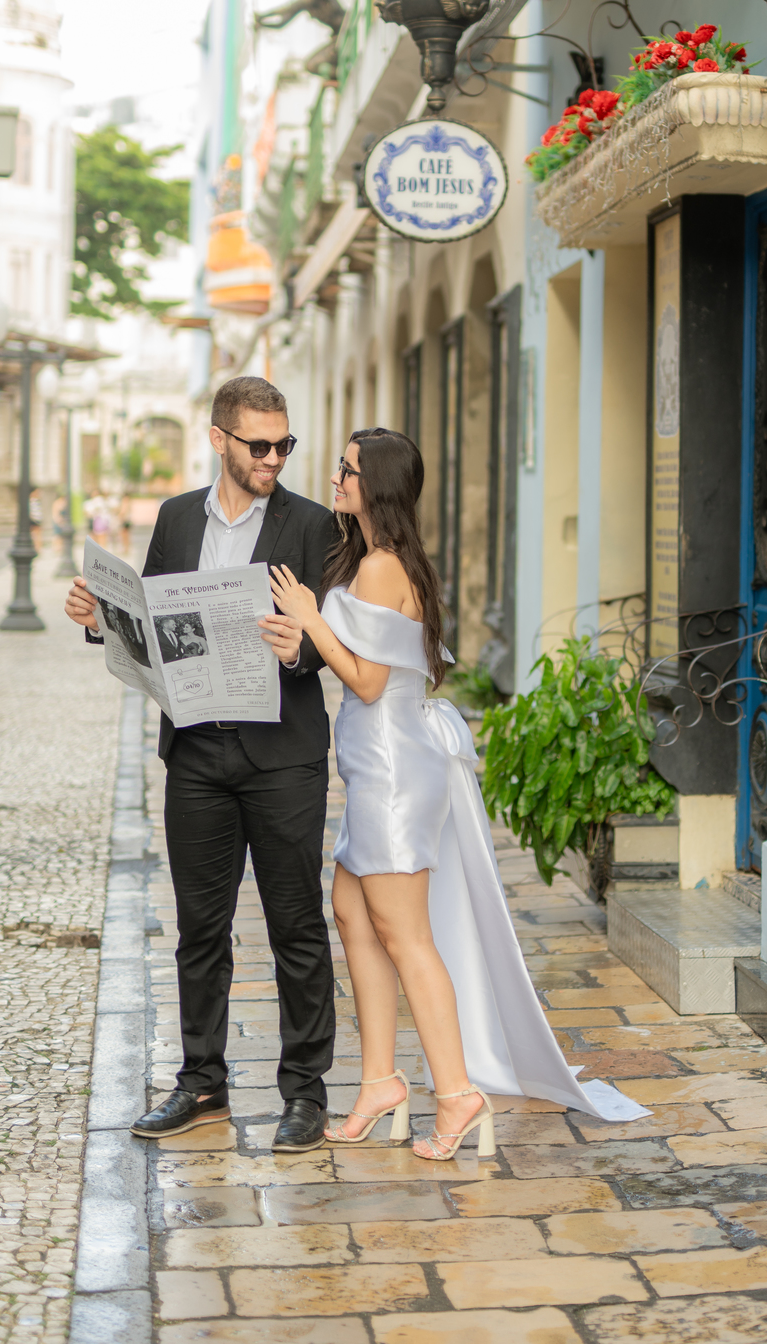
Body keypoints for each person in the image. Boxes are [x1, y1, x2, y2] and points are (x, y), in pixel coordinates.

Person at [267, 427, 602, 1161]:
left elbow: (367, 679)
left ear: (377, 486)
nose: (337, 479)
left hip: (392, 771)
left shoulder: (385, 567)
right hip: (376, 764)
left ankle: (456, 1095)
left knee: (404, 934)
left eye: (349, 472)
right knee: (351, 910)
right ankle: (382, 1081)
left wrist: (310, 618)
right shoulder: (375, 559)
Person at [64, 375, 338, 1152]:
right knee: (200, 928)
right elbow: (147, 623)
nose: (275, 458)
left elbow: (339, 636)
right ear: (219, 439)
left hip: (283, 753)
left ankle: (305, 1092)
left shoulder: (312, 525)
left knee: (296, 925)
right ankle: (202, 1082)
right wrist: (98, 623)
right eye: (260, 445)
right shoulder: (178, 516)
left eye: (285, 444)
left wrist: (305, 649)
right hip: (196, 751)